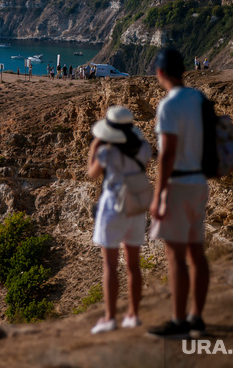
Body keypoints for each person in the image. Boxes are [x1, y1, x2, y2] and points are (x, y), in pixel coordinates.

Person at [147, 48, 210, 339]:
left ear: (160, 73)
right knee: (197, 253)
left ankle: (178, 321)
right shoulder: (198, 99)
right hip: (199, 181)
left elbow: (166, 154)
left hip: (178, 185)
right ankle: (196, 317)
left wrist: (159, 195)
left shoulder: (168, 105)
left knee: (175, 257)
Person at [88, 106, 151, 334]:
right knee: (134, 265)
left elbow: (92, 173)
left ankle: (109, 318)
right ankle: (133, 315)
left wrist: (95, 146)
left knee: (110, 266)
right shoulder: (143, 147)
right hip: (135, 206)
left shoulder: (106, 151)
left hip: (113, 207)